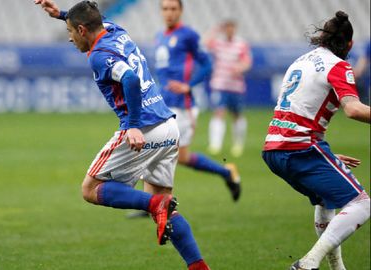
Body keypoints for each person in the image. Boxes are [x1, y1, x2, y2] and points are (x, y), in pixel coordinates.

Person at [33, 1, 210, 269]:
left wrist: (134, 125)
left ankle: (156, 203)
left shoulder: (99, 55)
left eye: (70, 31)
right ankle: (199, 266)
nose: (69, 37)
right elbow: (91, 19)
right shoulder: (115, 29)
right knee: (167, 212)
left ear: (82, 30)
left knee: (90, 189)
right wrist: (61, 15)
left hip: (145, 128)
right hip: (168, 126)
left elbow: (129, 79)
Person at [261, 11, 370, 270]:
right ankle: (309, 263)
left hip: (273, 149)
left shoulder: (300, 61)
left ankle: (337, 268)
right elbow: (353, 109)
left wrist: (327, 157)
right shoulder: (338, 65)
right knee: (362, 204)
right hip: (300, 147)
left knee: (325, 198)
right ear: (350, 45)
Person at [155, 0, 241, 201]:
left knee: (159, 148)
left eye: (173, 9)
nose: (169, 13)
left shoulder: (188, 35)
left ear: (181, 11)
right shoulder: (159, 36)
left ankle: (156, 201)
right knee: (181, 156)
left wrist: (189, 84)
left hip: (182, 107)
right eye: (165, 9)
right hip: (164, 103)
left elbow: (207, 64)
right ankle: (226, 173)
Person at [206, 20, 252, 157]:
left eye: (232, 28)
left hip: (236, 86)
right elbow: (204, 42)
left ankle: (238, 144)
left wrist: (240, 68)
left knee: (236, 115)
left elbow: (247, 62)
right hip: (220, 84)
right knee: (219, 112)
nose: (229, 30)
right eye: (227, 28)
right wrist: (215, 29)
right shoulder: (218, 43)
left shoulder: (241, 44)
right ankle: (215, 144)